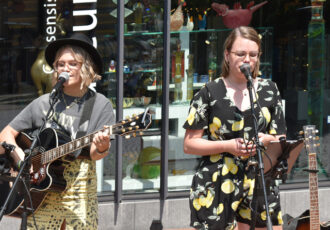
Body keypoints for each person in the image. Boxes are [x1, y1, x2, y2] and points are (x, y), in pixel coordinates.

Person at [0, 33, 115, 229]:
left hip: (80, 193)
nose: (65, 69)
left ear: (86, 67)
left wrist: (102, 146)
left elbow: (95, 155)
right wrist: (21, 160)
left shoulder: (100, 105)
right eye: (61, 64)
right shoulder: (45, 102)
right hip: (42, 194)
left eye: (72, 63)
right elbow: (5, 134)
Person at [183, 26, 287, 230]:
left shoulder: (269, 90)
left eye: (253, 54)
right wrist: (228, 145)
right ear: (227, 55)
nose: (247, 59)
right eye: (240, 54)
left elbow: (280, 137)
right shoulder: (209, 93)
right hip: (218, 181)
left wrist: (266, 140)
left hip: (260, 180)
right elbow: (189, 144)